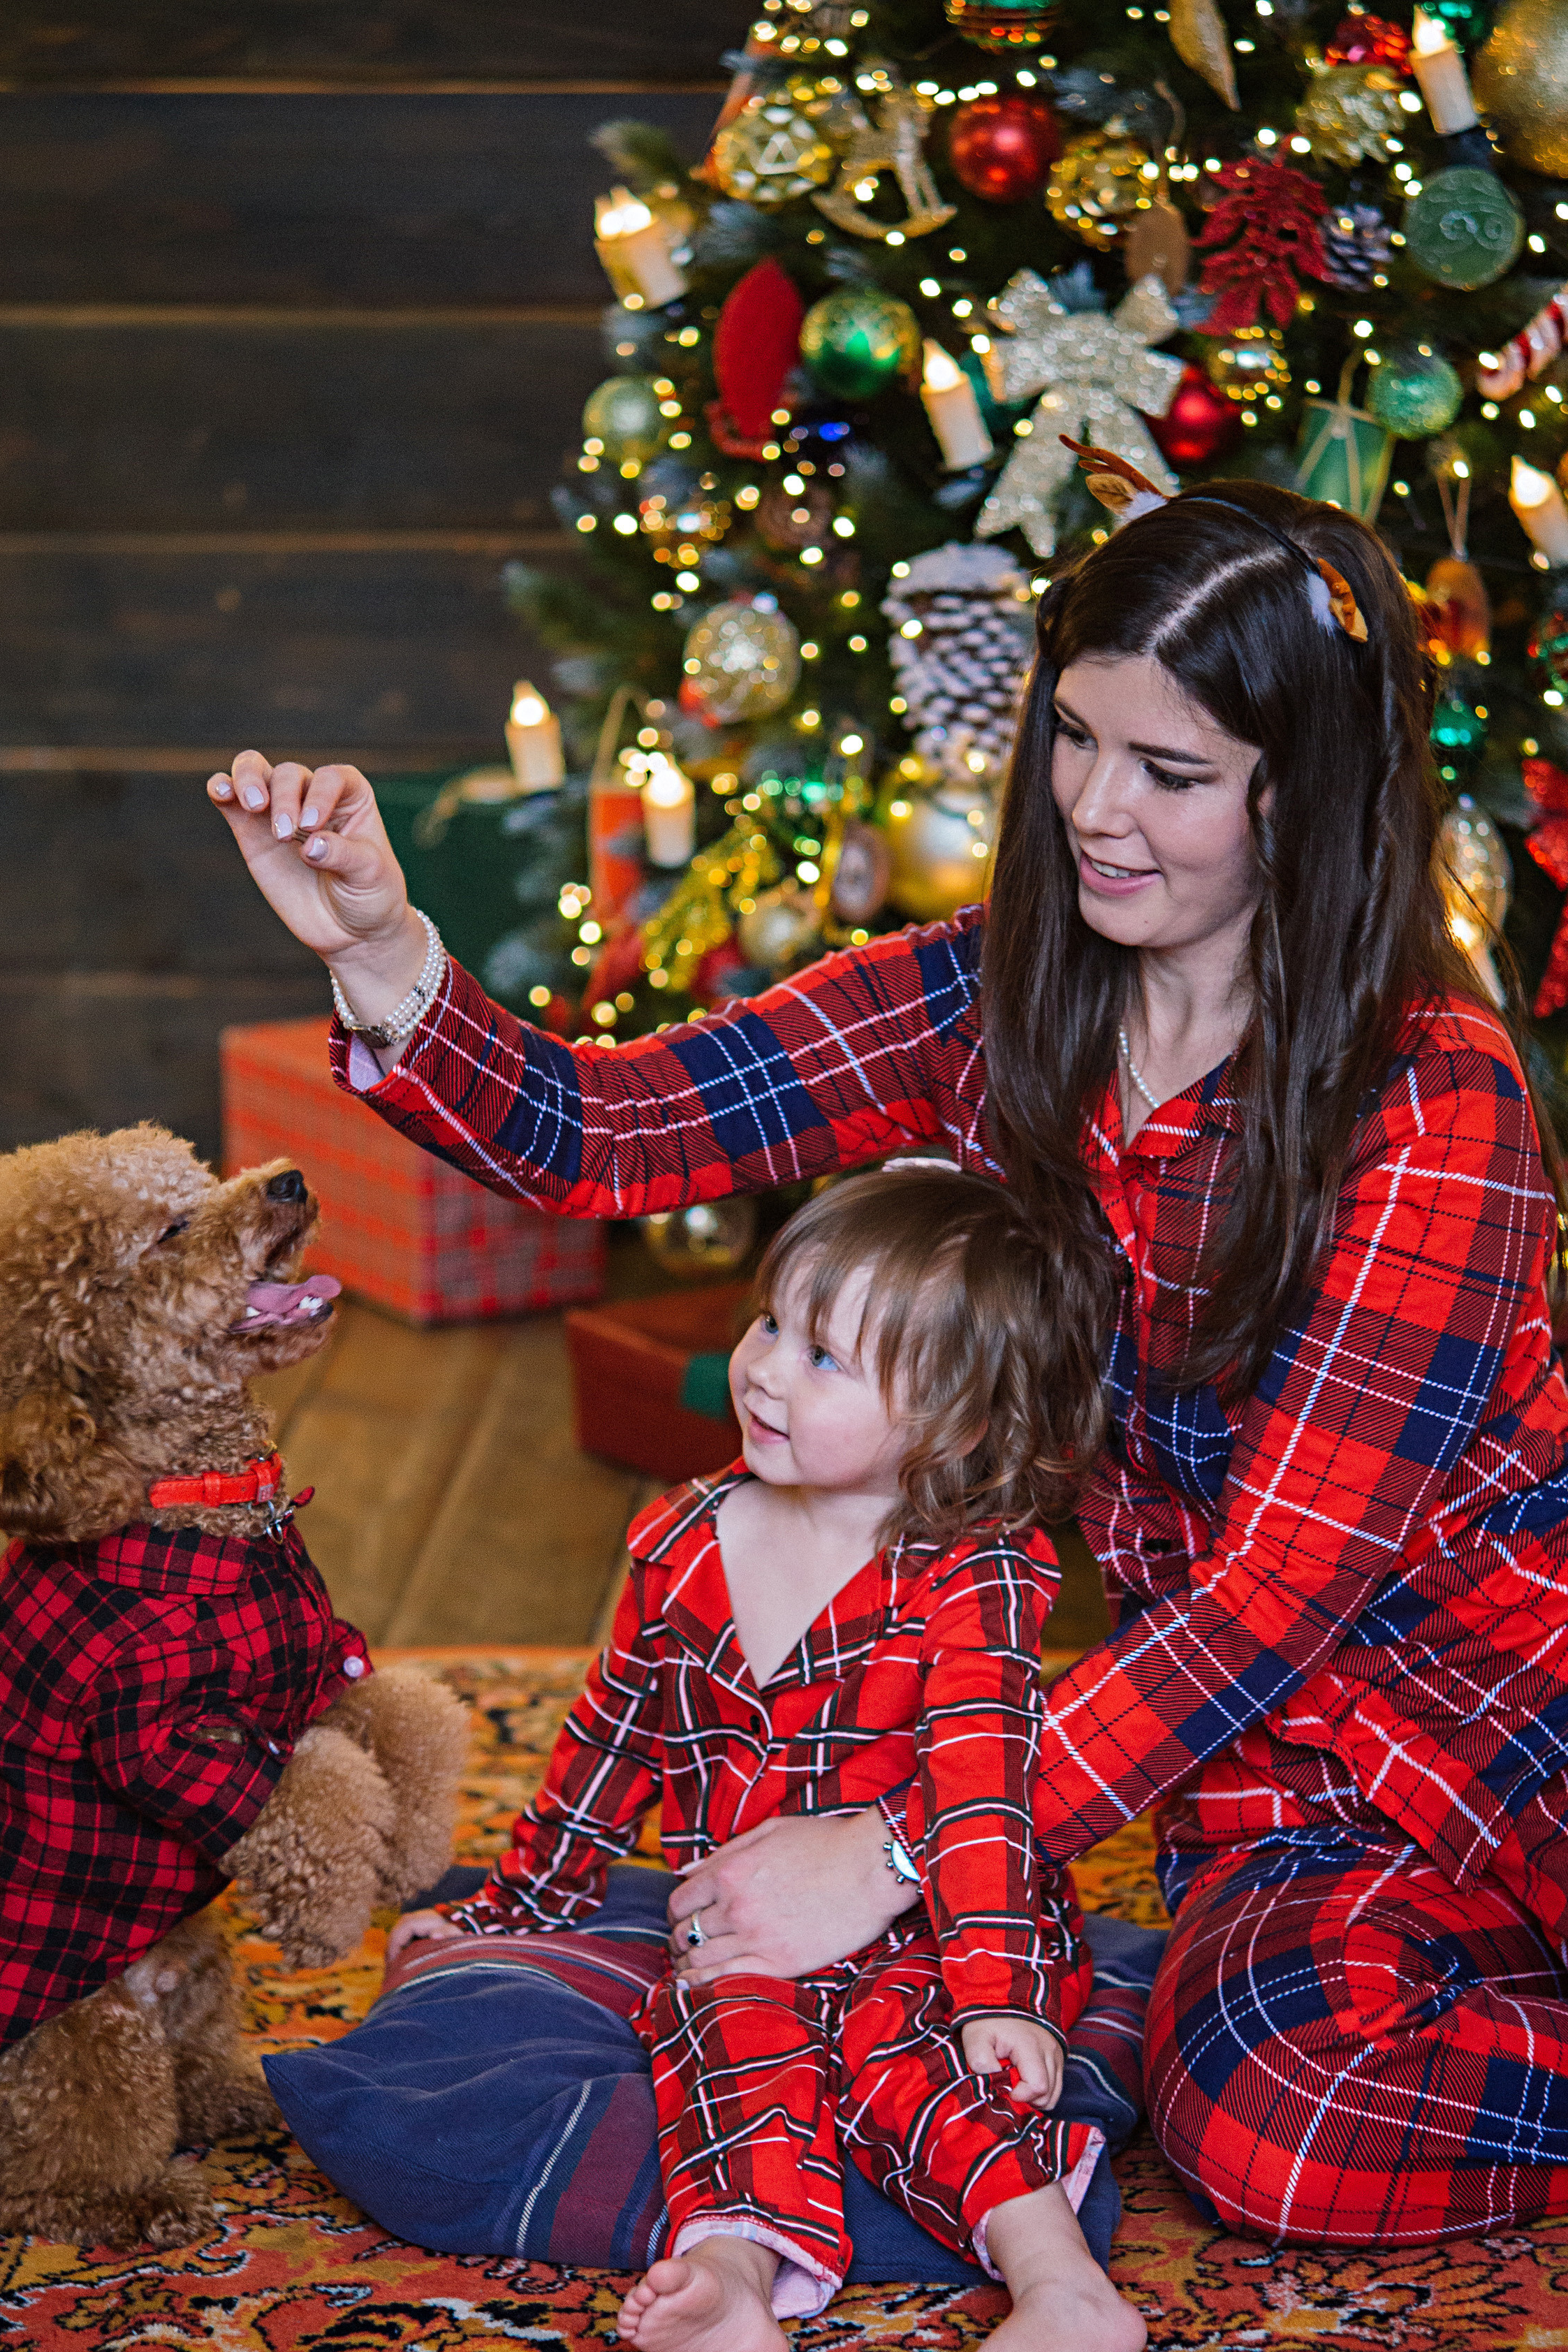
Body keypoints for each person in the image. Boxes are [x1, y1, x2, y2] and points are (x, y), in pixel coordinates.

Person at [210, 467, 1568, 2259]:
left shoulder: (1431, 1097)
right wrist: (384, 952)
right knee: (1264, 2124)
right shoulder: (998, 1004)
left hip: (1497, 1735)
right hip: (1267, 1795)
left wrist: (909, 1846)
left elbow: (1280, 1596)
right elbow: (612, 1131)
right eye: (1075, 739)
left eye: (1170, 775)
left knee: (1268, 2121)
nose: (1092, 809)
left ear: (1301, 795)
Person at [389, 1164, 1144, 2352]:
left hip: (940, 1933)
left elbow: (983, 1798)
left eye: (828, 1359)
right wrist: (510, 1907)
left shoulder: (973, 1578)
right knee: (715, 2016)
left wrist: (1002, 1996)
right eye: (771, 1325)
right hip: (751, 1922)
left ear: (958, 1423)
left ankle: (1060, 2282)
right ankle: (740, 2266)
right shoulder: (681, 1541)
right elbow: (607, 1746)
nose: (768, 1370)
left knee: (896, 2049)